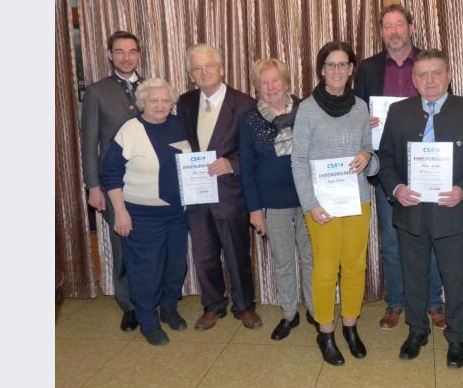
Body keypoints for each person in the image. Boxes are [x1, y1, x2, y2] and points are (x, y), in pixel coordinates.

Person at [377, 49, 463, 369]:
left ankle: (457, 337)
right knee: (413, 275)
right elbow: (386, 158)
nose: (430, 80)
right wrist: (396, 188)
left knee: (455, 278)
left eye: (436, 73)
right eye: (422, 75)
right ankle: (416, 331)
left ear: (448, 76)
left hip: (452, 212)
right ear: (414, 81)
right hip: (410, 210)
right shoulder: (399, 112)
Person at [354, 4, 446, 331]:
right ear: (381, 32)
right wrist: (364, 122)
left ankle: (433, 302)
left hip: (428, 164)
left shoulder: (427, 63)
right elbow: (356, 113)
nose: (393, 31)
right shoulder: (367, 68)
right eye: (387, 26)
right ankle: (395, 302)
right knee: (392, 239)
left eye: (399, 24)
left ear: (411, 26)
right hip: (387, 166)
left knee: (431, 236)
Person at [291, 41, 379, 366]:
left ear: (351, 69)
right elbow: (298, 160)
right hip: (322, 205)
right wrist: (309, 203)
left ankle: (351, 326)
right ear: (321, 70)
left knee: (356, 266)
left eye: (343, 64)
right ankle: (325, 331)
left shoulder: (360, 107)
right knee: (326, 270)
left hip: (357, 200)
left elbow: (371, 154)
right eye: (331, 65)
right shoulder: (307, 109)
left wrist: (367, 156)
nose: (337, 71)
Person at [176, 43, 262, 331]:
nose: (204, 72)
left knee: (237, 254)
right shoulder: (185, 103)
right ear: (191, 75)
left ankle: (244, 306)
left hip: (230, 193)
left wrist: (231, 163)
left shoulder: (246, 103)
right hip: (197, 194)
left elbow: (254, 151)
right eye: (197, 68)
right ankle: (213, 305)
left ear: (221, 68)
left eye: (208, 66)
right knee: (204, 253)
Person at [100, 78, 190, 346]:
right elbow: (110, 173)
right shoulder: (130, 130)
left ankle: (169, 308)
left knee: (176, 265)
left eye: (165, 101)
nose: (160, 106)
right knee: (145, 271)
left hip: (177, 213)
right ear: (142, 103)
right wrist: (120, 212)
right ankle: (148, 321)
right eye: (154, 101)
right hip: (141, 215)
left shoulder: (179, 126)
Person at [238, 58, 316, 341]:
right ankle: (288, 314)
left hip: (309, 200)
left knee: (311, 259)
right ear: (257, 87)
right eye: (264, 82)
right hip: (273, 203)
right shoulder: (249, 119)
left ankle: (314, 309)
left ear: (286, 81)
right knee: (283, 261)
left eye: (275, 80)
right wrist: (254, 210)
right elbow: (246, 168)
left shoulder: (308, 110)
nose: (270, 87)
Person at [81, 30, 142, 332]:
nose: (126, 57)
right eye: (119, 51)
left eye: (132, 51)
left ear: (139, 54)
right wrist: (93, 185)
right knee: (122, 244)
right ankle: (128, 305)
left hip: (151, 185)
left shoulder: (152, 88)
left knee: (151, 242)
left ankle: (151, 298)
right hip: (113, 184)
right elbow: (89, 141)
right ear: (110, 55)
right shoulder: (97, 91)